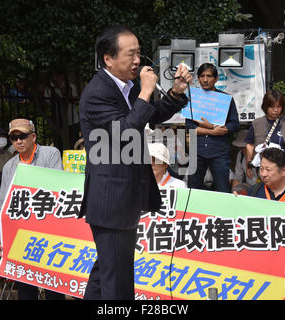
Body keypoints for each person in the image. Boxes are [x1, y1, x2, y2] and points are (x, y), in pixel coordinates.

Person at [79, 25, 191, 300]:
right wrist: (144, 93)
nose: (138, 60)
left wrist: (176, 92)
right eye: (131, 54)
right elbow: (126, 133)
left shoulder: (126, 87)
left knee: (105, 272)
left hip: (124, 196)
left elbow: (149, 116)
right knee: (118, 284)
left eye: (139, 53)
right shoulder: (98, 92)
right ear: (108, 58)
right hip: (111, 200)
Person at [0, 118, 64, 300]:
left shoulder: (50, 154)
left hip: (49, 229)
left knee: (53, 282)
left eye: (22, 136)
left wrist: (29, 178)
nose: (18, 141)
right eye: (14, 138)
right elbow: (4, 202)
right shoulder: (9, 166)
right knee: (25, 283)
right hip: (22, 231)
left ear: (33, 136)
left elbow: (57, 187)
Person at [186, 63, 239, 192]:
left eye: (209, 76)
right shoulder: (193, 99)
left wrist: (221, 129)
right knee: (193, 191)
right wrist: (213, 131)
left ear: (216, 79)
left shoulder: (226, 99)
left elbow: (234, 124)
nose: (205, 79)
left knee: (223, 189)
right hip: (197, 151)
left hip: (219, 151)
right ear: (198, 78)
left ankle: (222, 212)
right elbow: (190, 127)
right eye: (202, 76)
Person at [245, 90, 285, 180]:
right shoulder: (257, 123)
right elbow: (249, 144)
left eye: (279, 106)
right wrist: (249, 164)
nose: (276, 110)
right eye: (272, 107)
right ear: (265, 107)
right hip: (264, 170)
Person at [44, 70, 80, 149]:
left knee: (73, 144)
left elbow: (76, 101)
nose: (55, 79)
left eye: (57, 77)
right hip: (58, 121)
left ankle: (72, 161)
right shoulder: (50, 89)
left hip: (72, 120)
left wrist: (65, 94)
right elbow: (47, 103)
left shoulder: (69, 87)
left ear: (62, 77)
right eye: (53, 77)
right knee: (59, 145)